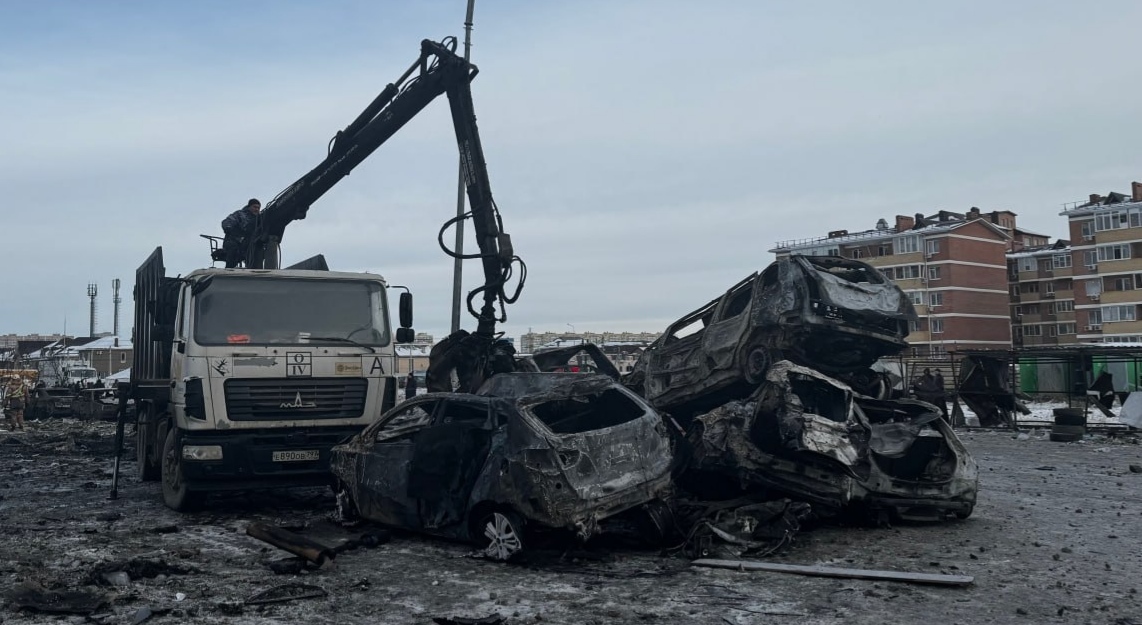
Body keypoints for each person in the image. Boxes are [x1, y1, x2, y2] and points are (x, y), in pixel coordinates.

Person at [221, 198, 262, 268]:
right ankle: (229, 270)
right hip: (234, 241)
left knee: (259, 250)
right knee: (233, 249)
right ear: (249, 207)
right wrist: (229, 228)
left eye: (258, 208)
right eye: (255, 207)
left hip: (249, 243)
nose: (257, 209)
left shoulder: (260, 218)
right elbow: (227, 222)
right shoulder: (240, 214)